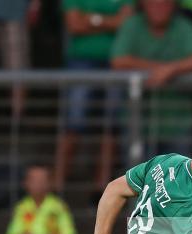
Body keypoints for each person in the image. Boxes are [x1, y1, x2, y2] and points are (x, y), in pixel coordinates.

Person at [111, 0, 192, 156]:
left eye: (165, 3)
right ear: (143, 4)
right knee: (138, 177)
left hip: (177, 122)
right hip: (138, 122)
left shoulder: (183, 26)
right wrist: (158, 69)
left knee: (176, 177)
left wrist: (171, 69)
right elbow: (118, 61)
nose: (159, 7)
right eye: (154, 3)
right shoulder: (132, 25)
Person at [54, 0, 133, 194]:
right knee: (73, 121)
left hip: (116, 62)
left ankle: (102, 188)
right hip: (80, 60)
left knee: (111, 125)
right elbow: (73, 24)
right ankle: (56, 186)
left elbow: (126, 23)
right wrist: (110, 22)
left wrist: (91, 19)